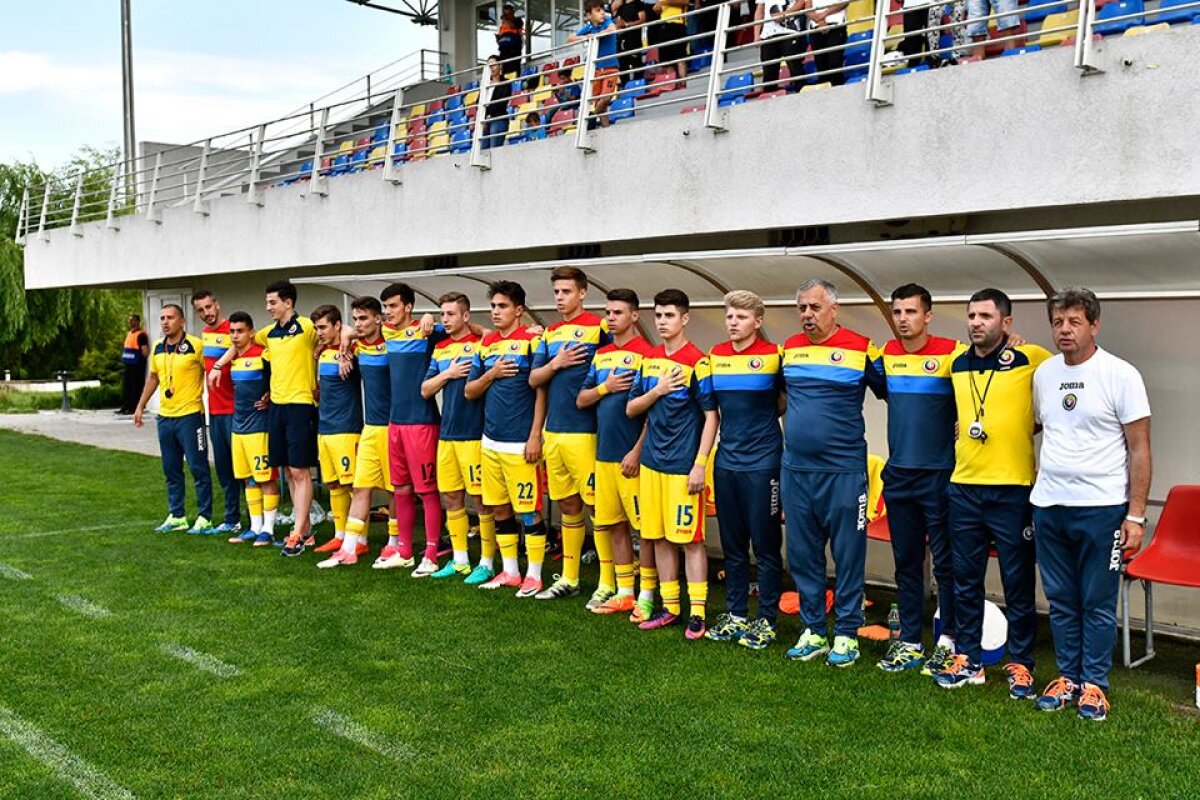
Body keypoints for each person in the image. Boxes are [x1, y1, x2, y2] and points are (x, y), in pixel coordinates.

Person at [1030, 287, 1151, 722]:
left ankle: (1095, 685)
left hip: (1101, 509)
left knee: (1096, 602)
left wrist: (1135, 515)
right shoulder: (1044, 374)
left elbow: (1139, 449)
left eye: (1074, 322)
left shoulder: (1121, 375)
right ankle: (1068, 678)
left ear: (1094, 325)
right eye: (1058, 322)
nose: (1065, 329)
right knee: (1061, 599)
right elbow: (1039, 425)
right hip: (1049, 505)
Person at [935, 288, 1051, 697]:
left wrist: (1027, 426)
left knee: (1017, 581)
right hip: (965, 486)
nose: (976, 323)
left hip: (1012, 489)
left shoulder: (1031, 357)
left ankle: (1021, 663)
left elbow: (1058, 398)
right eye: (971, 316)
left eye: (985, 316)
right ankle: (968, 658)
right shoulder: (956, 362)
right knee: (965, 580)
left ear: (1006, 321)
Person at [780, 279, 884, 667]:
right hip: (796, 471)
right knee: (803, 554)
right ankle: (813, 630)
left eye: (815, 307)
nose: (807, 315)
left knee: (847, 554)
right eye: (802, 308)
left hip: (843, 472)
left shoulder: (862, 348)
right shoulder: (789, 349)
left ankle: (846, 633)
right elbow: (775, 397)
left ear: (834, 309)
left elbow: (899, 391)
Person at [872, 284, 961, 674]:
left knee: (946, 564)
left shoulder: (954, 353)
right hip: (899, 478)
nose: (903, 319)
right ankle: (909, 641)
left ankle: (948, 640)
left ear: (928, 315)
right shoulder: (886, 356)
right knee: (906, 563)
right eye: (897, 312)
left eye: (910, 311)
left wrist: (1013, 341)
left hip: (940, 476)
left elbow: (988, 377)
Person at [626, 289, 718, 640]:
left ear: (685, 318)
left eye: (669, 315)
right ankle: (671, 608)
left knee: (690, 540)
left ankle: (698, 613)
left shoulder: (698, 361)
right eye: (659, 315)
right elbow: (632, 408)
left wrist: (700, 464)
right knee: (659, 537)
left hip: (682, 466)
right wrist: (658, 390)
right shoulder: (648, 360)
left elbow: (712, 417)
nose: (662, 322)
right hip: (652, 465)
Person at [212, 280, 319, 557]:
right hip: (277, 408)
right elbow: (239, 344)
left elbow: (340, 331)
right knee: (287, 471)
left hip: (300, 404)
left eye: (272, 302)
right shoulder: (268, 333)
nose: (268, 307)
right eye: (267, 302)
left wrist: (341, 344)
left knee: (300, 471)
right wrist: (218, 366)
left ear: (288, 302)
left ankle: (297, 533)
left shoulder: (306, 327)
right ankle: (305, 530)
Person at [704, 290, 785, 651]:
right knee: (733, 545)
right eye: (729, 316)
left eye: (741, 317)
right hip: (726, 463)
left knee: (765, 546)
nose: (733, 322)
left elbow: (784, 401)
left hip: (764, 464)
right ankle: (736, 614)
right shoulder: (715, 355)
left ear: (758, 321)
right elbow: (712, 411)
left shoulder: (774, 356)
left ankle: (766, 620)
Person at [529, 267, 609, 603]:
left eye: (566, 291)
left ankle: (608, 582)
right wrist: (556, 363)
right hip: (554, 433)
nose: (560, 297)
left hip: (587, 432)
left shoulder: (599, 328)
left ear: (583, 293)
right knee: (567, 505)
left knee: (598, 506)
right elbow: (535, 380)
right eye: (556, 292)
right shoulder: (550, 334)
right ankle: (570, 577)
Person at [464, 281, 549, 596]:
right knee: (499, 508)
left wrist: (535, 435)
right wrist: (492, 374)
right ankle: (510, 571)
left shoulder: (531, 341)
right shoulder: (486, 345)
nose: (496, 312)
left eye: (502, 306)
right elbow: (470, 391)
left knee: (529, 511)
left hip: (520, 443)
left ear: (519, 310)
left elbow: (541, 390)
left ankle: (535, 575)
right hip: (490, 441)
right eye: (493, 306)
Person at [578, 289, 655, 619]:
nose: (611, 318)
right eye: (608, 312)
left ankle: (648, 594)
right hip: (604, 456)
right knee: (613, 525)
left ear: (634, 316)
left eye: (618, 312)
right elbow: (581, 399)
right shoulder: (601, 356)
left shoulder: (648, 354)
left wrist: (637, 451)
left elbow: (655, 413)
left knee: (646, 530)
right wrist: (605, 387)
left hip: (633, 459)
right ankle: (624, 592)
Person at [421, 292, 499, 584]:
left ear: (466, 316)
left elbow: (490, 333)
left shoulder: (481, 343)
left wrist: (477, 329)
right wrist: (449, 374)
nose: (445, 319)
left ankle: (487, 562)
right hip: (447, 435)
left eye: (451, 314)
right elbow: (425, 390)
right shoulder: (440, 349)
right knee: (451, 497)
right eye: (442, 314)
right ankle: (460, 560)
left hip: (474, 434)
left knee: (481, 500)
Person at [377, 283, 448, 577]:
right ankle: (404, 551)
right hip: (395, 423)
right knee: (401, 488)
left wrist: (431, 316)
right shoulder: (386, 331)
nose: (388, 312)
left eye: (393, 306)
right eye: (385, 307)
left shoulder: (426, 331)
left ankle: (431, 553)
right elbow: (354, 330)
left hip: (422, 422)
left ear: (408, 307)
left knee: (427, 490)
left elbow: (470, 329)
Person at [320, 297, 395, 569]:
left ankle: (394, 543)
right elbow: (345, 331)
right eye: (356, 319)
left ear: (378, 319)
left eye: (364, 318)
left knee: (395, 490)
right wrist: (344, 350)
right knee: (361, 486)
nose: (358, 324)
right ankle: (349, 548)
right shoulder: (358, 346)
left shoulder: (392, 341)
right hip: (370, 427)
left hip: (394, 426)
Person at [133, 304, 214, 534]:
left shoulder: (196, 345)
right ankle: (177, 515)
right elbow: (153, 378)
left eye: (170, 318)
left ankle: (205, 517)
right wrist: (140, 406)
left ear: (182, 321)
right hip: (165, 417)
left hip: (190, 416)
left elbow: (212, 372)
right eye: (162, 318)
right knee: (171, 469)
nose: (165, 322)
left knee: (198, 468)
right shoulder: (158, 347)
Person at [310, 305, 367, 558]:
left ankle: (361, 539)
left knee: (353, 485)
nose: (319, 332)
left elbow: (362, 333)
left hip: (346, 429)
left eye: (323, 327)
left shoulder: (352, 350)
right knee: (333, 484)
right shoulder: (322, 352)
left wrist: (345, 338)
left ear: (337, 326)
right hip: (325, 428)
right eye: (316, 328)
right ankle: (339, 535)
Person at [224, 311, 280, 547]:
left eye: (240, 331)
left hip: (259, 426)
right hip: (239, 427)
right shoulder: (233, 358)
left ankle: (269, 529)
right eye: (232, 332)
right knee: (248, 478)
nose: (235, 336)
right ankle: (255, 527)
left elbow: (280, 376)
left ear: (251, 333)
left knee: (265, 478)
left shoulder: (263, 355)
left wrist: (270, 395)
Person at [192, 290, 242, 536]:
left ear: (217, 304)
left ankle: (262, 521)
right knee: (224, 469)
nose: (206, 313)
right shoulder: (205, 335)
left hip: (237, 410)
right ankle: (233, 519)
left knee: (245, 469)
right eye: (200, 310)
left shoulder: (234, 331)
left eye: (208, 307)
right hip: (216, 412)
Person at [569, 0, 621, 128]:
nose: (602, 13)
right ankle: (605, 128)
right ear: (589, 15)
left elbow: (612, 29)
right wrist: (586, 37)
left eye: (602, 9)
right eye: (598, 11)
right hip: (596, 70)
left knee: (606, 98)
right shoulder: (589, 27)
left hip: (610, 67)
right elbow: (570, 39)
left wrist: (596, 35)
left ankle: (590, 117)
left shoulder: (607, 21)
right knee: (599, 101)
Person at [757, 0, 807, 93]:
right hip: (768, 34)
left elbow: (802, 2)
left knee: (795, 67)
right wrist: (756, 34)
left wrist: (784, 14)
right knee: (769, 73)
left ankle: (803, 94)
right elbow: (759, 10)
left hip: (790, 32)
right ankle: (770, 97)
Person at [806, 0, 849, 86]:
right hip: (816, 27)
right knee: (821, 65)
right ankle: (825, 91)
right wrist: (820, 20)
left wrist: (824, 14)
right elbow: (807, 8)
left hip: (836, 25)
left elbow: (844, 2)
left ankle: (838, 88)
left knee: (834, 61)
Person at [651, 0, 690, 84]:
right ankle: (673, 84)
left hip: (678, 24)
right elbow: (659, 9)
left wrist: (664, 2)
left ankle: (683, 83)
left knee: (680, 57)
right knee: (667, 60)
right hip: (663, 25)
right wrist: (657, 8)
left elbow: (686, 2)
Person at [118, 314, 149, 415]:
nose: (131, 322)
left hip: (137, 365)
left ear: (138, 321)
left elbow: (145, 351)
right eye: (130, 320)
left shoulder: (141, 335)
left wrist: (141, 361)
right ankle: (125, 406)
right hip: (128, 363)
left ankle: (133, 408)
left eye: (133, 320)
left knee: (135, 387)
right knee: (127, 386)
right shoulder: (129, 333)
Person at [611, 0, 648, 85]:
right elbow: (617, 23)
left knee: (636, 62)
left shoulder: (638, 4)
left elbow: (643, 19)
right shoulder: (621, 7)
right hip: (622, 39)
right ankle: (625, 85)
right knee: (623, 63)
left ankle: (638, 85)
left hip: (635, 38)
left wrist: (627, 25)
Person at [482, 57, 515, 151]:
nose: (491, 68)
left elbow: (501, 102)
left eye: (494, 65)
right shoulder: (485, 84)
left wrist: (486, 113)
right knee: (483, 151)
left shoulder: (506, 83)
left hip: (498, 118)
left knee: (494, 150)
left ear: (500, 66)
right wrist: (483, 117)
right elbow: (478, 102)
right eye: (489, 66)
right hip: (485, 120)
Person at [496, 3, 525, 77]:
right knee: (504, 72)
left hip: (513, 51)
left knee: (514, 70)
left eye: (508, 13)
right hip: (503, 52)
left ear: (512, 12)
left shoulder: (518, 20)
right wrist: (498, 39)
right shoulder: (502, 26)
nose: (506, 15)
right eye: (505, 13)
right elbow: (500, 38)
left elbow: (513, 26)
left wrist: (506, 19)